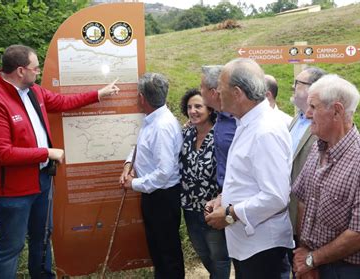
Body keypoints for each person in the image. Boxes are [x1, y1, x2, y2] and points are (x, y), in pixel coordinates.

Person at [0, 44, 119, 278]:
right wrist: (47, 153)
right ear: (21, 71)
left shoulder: (34, 92)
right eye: (35, 68)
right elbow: (2, 153)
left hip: (42, 181)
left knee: (42, 237)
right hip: (12, 191)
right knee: (12, 246)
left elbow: (62, 102)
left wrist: (98, 94)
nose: (38, 72)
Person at [292, 74, 360, 279]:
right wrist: (305, 254)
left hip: (347, 271)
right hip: (312, 263)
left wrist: (312, 259)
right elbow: (303, 202)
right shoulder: (318, 147)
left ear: (336, 110)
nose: (308, 114)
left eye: (313, 107)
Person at [205, 58, 294, 279]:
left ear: (237, 93)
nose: (216, 92)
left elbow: (275, 196)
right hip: (250, 245)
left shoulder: (265, 131)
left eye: (221, 87)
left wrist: (229, 214)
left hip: (262, 248)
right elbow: (248, 177)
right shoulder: (248, 122)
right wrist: (224, 197)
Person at [119, 73, 184, 279]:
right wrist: (129, 163)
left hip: (162, 197)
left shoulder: (162, 126)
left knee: (167, 253)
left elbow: (164, 172)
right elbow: (142, 146)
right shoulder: (152, 119)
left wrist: (134, 183)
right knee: (158, 249)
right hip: (155, 194)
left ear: (141, 98)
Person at [179, 88, 230, 278]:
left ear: (210, 109)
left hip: (213, 208)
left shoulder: (220, 136)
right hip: (190, 207)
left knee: (219, 257)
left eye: (198, 106)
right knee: (202, 253)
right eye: (189, 107)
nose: (193, 110)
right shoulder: (186, 134)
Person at [285, 67, 326, 277]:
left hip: (309, 223)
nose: (292, 87)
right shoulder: (297, 119)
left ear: (313, 89)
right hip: (291, 213)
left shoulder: (323, 125)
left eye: (297, 83)